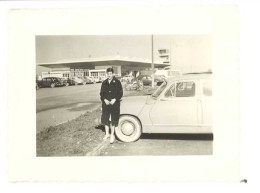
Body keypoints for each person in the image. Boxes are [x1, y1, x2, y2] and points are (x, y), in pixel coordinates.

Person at [100, 68, 123, 144]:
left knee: (113, 119)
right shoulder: (104, 83)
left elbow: (120, 93)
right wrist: (104, 99)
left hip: (114, 104)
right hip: (106, 104)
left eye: (110, 74)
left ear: (113, 74)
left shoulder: (117, 82)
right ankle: (107, 134)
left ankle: (112, 135)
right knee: (106, 119)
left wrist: (115, 99)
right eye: (108, 74)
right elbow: (101, 93)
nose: (109, 75)